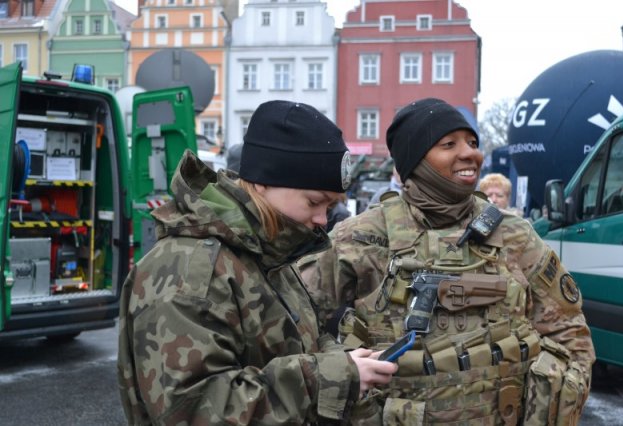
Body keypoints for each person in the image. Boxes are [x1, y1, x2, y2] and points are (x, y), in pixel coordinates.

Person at [299, 98, 595, 425]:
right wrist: (342, 369)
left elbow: (569, 330)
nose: (470, 153)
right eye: (448, 144)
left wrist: (555, 401)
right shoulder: (362, 237)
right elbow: (293, 322)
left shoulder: (514, 235)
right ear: (415, 159)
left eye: (472, 142)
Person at [117, 100, 397, 425]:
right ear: (263, 183)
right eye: (314, 202)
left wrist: (346, 364)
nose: (323, 218)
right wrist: (331, 376)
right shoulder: (190, 269)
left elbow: (302, 339)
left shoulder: (266, 253)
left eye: (331, 205)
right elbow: (196, 410)